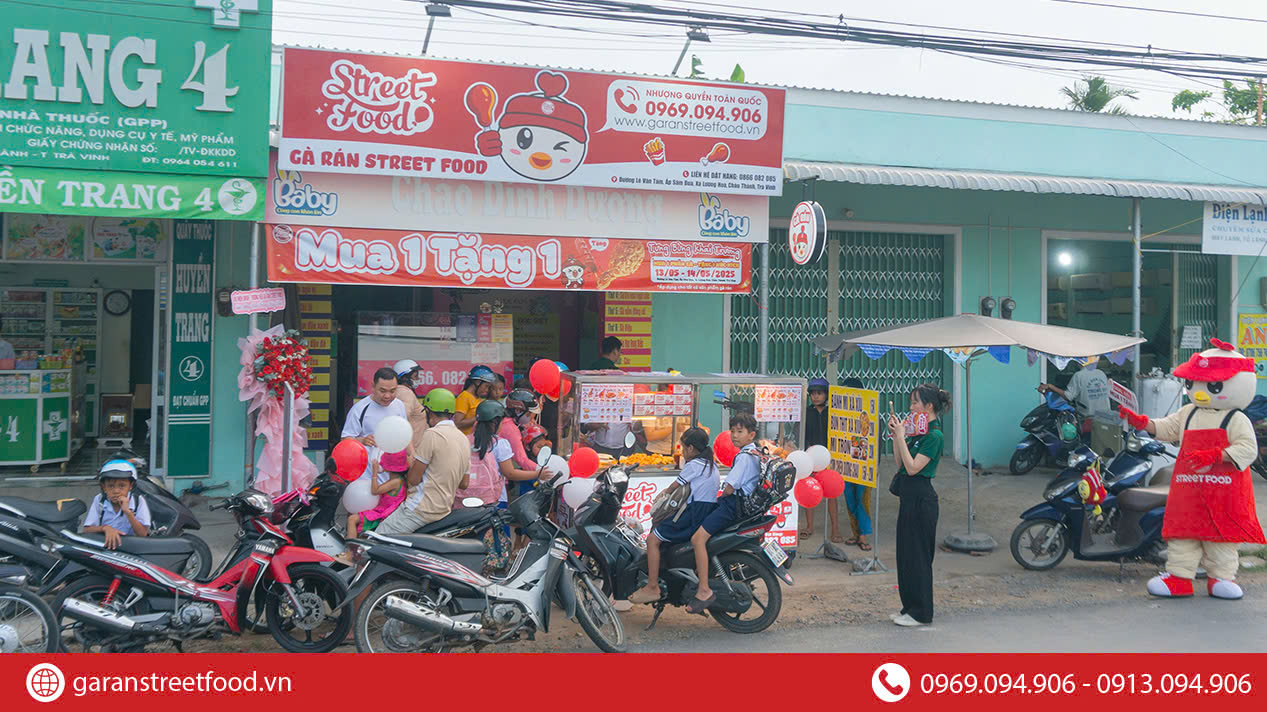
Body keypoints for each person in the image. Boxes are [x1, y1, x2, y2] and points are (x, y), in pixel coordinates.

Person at [630, 427, 720, 605]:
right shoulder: (711, 465)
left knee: (652, 539)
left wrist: (661, 495)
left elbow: (673, 487)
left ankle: (652, 587)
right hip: (706, 511)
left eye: (683, 448)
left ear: (691, 448)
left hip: (693, 513)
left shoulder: (694, 465)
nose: (682, 452)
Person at [887, 383, 949, 628]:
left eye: (915, 402)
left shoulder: (935, 436)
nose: (911, 407)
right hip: (908, 498)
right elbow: (900, 463)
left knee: (919, 558)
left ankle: (922, 613)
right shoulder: (918, 432)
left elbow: (914, 468)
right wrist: (897, 436)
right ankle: (909, 608)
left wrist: (903, 436)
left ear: (929, 406)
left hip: (922, 500)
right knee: (906, 556)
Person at [690, 412, 762, 613]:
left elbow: (730, 486)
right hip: (743, 506)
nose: (735, 436)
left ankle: (703, 590)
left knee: (697, 539)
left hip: (732, 506)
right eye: (732, 431)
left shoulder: (745, 457)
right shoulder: (756, 452)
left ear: (751, 435)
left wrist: (721, 497)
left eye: (740, 432)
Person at [375, 389, 471, 535]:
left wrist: (410, 462)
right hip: (444, 510)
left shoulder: (432, 435)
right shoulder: (463, 439)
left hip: (419, 509)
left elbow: (413, 479)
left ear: (429, 412)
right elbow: (464, 484)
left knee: (377, 538)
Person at [800, 377, 847, 545]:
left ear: (827, 395)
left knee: (832, 493)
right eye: (813, 393)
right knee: (810, 491)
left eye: (819, 393)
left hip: (830, 458)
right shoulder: (806, 413)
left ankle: (835, 528)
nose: (815, 396)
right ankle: (809, 526)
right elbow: (802, 434)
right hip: (810, 456)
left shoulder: (833, 413)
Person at [81, 460, 151, 549]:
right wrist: (105, 528)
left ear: (131, 486)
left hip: (132, 548)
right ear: (104, 487)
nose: (116, 491)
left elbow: (142, 534)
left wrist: (128, 512)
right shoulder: (100, 500)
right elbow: (86, 530)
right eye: (111, 486)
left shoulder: (138, 501)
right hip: (106, 548)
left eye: (122, 486)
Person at [346, 449, 409, 538]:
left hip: (382, 514)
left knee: (352, 519)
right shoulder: (396, 479)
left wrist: (374, 473)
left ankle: (350, 546)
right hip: (380, 510)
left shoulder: (396, 481)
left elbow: (375, 491)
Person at [1040, 362, 1110, 418]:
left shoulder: (1079, 375)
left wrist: (1050, 386)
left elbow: (1068, 396)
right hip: (1106, 416)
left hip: (1089, 418)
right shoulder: (1101, 373)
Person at [392, 359, 428, 456]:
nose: (418, 379)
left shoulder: (400, 391)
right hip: (411, 452)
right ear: (404, 377)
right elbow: (402, 421)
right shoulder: (405, 393)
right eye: (415, 376)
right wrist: (410, 453)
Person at [454, 366, 496, 435]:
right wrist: (480, 417)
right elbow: (457, 423)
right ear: (478, 382)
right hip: (465, 438)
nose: (487, 390)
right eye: (486, 386)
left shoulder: (478, 398)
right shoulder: (464, 397)